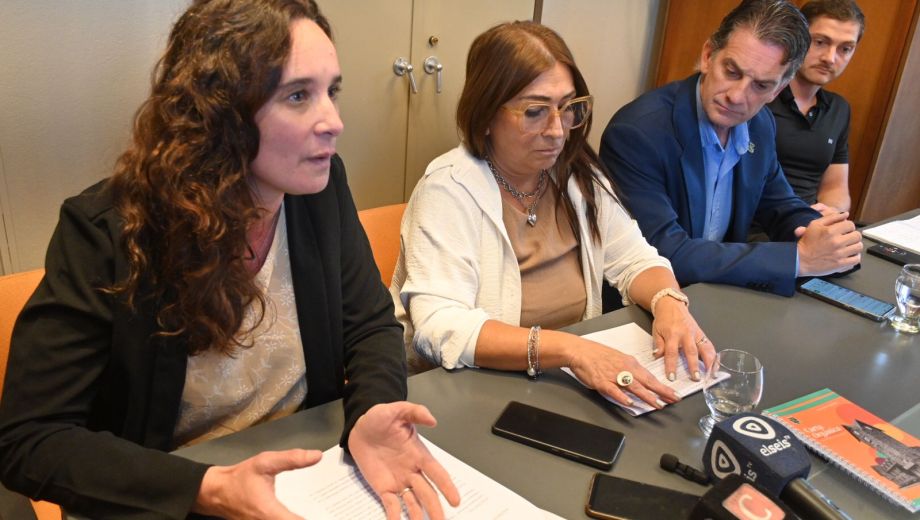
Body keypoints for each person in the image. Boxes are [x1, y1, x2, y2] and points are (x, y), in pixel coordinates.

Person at [0, 1, 458, 519]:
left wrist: (373, 410)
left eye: (332, 91)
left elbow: (370, 324)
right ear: (219, 113)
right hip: (169, 495)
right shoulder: (106, 232)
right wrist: (209, 488)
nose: (333, 121)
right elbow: (30, 439)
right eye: (298, 95)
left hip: (305, 476)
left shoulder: (319, 191)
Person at [391, 21, 716, 410]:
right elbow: (441, 327)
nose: (558, 131)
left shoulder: (577, 174)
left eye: (567, 108)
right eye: (535, 111)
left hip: (559, 384)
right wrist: (571, 350)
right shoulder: (448, 190)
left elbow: (635, 259)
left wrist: (669, 303)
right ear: (486, 115)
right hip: (468, 393)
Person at [600, 0, 862, 297]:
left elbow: (781, 206)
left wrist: (828, 238)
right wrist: (800, 260)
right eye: (733, 72)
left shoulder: (760, 124)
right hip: (650, 303)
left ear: (777, 89)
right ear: (708, 55)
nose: (738, 97)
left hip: (721, 293)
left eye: (761, 86)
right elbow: (663, 252)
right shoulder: (638, 132)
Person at [769, 0, 865, 215]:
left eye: (845, 49)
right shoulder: (761, 95)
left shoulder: (839, 109)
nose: (830, 58)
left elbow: (835, 187)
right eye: (820, 42)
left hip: (811, 224)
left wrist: (829, 214)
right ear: (798, 39)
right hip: (757, 229)